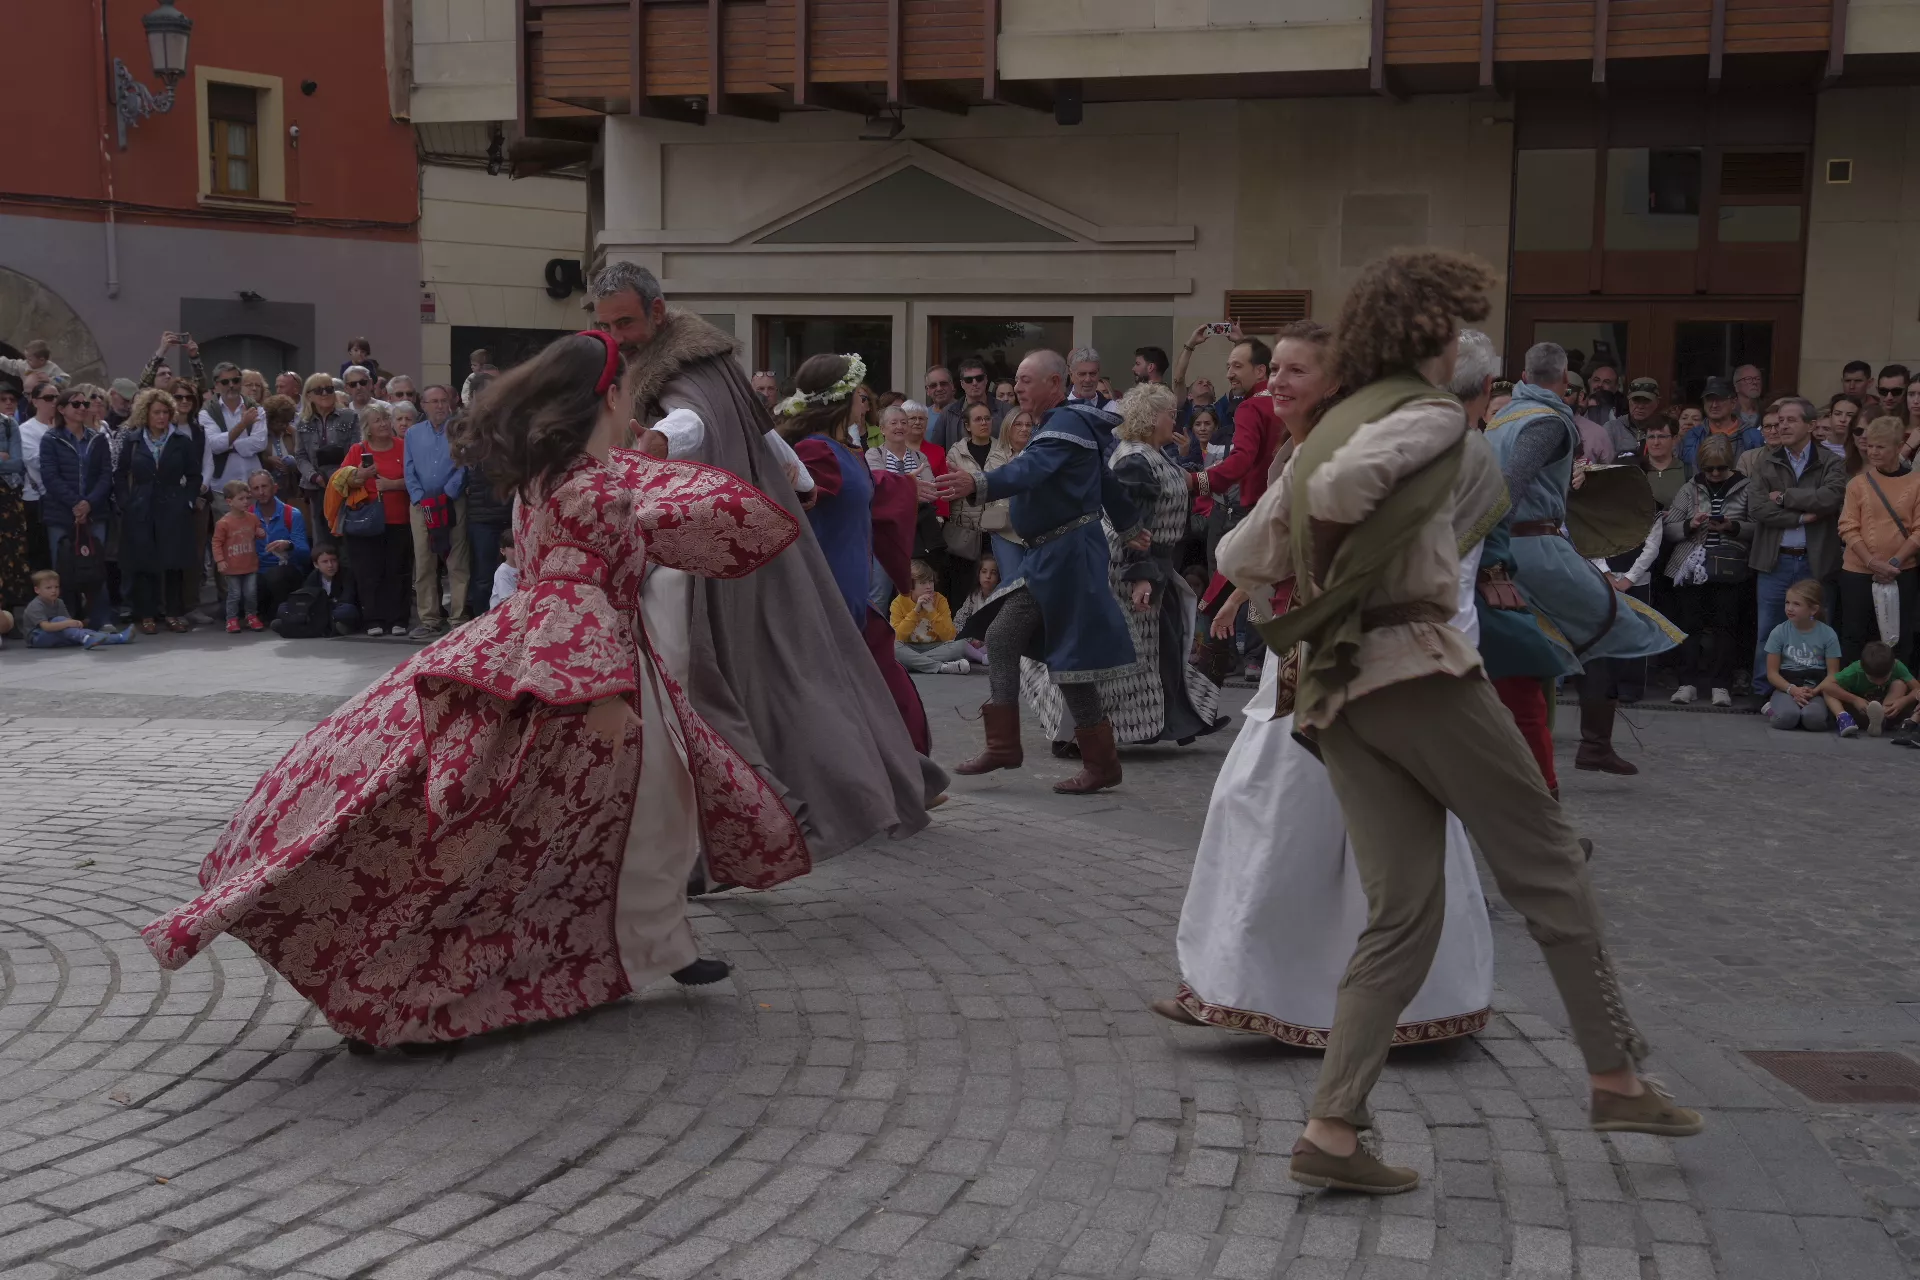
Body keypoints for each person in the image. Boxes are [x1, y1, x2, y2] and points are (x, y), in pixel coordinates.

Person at [142, 329, 806, 1051]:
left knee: (575, 829)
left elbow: (597, 542)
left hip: (547, 660)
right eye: (626, 391)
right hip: (581, 675)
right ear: (608, 397)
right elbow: (577, 593)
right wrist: (604, 695)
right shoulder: (591, 486)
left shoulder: (553, 474)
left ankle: (647, 950)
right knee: (588, 829)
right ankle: (456, 983)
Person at [1210, 250, 1699, 1196]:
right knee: (1551, 864)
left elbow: (1240, 550)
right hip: (1417, 672)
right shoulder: (1424, 415)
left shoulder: (1323, 428)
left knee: (1401, 915)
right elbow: (1340, 494)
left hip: (1339, 694)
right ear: (1430, 336)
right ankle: (1616, 1076)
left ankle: (1334, 1131)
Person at [593, 260, 947, 859]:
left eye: (625, 322)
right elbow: (759, 430)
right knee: (793, 678)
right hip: (742, 553)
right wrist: (802, 477)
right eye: (607, 324)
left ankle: (757, 824)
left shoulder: (682, 367)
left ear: (657, 311)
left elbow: (695, 420)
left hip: (715, 562)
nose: (617, 335)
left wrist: (654, 443)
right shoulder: (704, 364)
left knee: (735, 686)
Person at [938, 350, 1143, 794]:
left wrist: (979, 482)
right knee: (1046, 651)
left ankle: (1026, 751)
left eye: (1027, 381)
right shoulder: (1065, 424)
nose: (1019, 388)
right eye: (1017, 380)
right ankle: (1017, 748)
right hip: (1056, 555)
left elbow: (1032, 470)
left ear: (1055, 383)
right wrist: (1128, 526)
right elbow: (1104, 481)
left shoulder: (1064, 425)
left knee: (1051, 652)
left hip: (1066, 556)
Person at [1486, 342, 1681, 769]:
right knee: (1610, 624)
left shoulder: (1500, 419)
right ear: (1563, 383)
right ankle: (1583, 748)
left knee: (1539, 649)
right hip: (1531, 551)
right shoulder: (1546, 421)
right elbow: (1508, 487)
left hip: (1511, 548)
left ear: (1523, 377)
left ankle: (1584, 746)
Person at [1020, 381, 1225, 751]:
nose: (1174, 419)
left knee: (1155, 648)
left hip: (1153, 565)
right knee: (1123, 658)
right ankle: (1084, 735)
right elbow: (1134, 524)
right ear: (1151, 418)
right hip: (1129, 567)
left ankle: (1170, 722)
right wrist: (1140, 575)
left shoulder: (1149, 455)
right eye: (1169, 413)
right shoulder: (1135, 459)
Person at [776, 354, 937, 755]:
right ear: (845, 399)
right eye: (862, 398)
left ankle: (907, 774)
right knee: (849, 692)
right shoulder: (815, 451)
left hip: (849, 593)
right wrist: (790, 492)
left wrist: (904, 487)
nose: (866, 405)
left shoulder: (842, 450)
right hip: (825, 594)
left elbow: (864, 485)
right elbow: (802, 497)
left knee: (882, 683)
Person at [1746, 395, 1845, 688]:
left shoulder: (1832, 462)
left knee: (1818, 631)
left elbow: (1830, 498)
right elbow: (1757, 508)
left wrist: (1786, 496)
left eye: (1790, 420)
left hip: (1815, 560)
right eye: (1779, 421)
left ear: (1812, 425)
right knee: (1768, 629)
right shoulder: (1766, 462)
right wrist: (1800, 517)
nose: (1782, 426)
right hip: (1775, 560)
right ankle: (1763, 689)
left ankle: (1818, 691)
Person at [1664, 436, 1752, 706]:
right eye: (1709, 469)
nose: (1714, 474)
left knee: (1726, 627)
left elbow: (1760, 527)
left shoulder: (1747, 488)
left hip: (1731, 568)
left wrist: (1731, 527)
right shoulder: (1689, 488)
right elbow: (1669, 529)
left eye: (1720, 469)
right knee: (1688, 625)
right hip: (1691, 566)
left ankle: (1720, 685)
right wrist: (1691, 524)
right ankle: (1687, 683)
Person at [1836, 417, 1920, 665]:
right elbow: (1847, 527)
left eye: (1880, 446)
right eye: (1870, 445)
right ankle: (1855, 698)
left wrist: (1894, 562)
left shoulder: (1916, 482)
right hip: (1858, 572)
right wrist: (1873, 563)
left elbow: (1918, 529)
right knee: (1854, 635)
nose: (1873, 451)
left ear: (1897, 447)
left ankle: (1895, 697)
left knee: (1899, 637)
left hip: (1901, 571)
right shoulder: (1857, 484)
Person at [116, 389, 198, 633]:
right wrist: (126, 502)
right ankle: (147, 614)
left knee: (173, 562)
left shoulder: (181, 441)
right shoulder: (133, 440)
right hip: (141, 506)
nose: (161, 417)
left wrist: (188, 501)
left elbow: (194, 475)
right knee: (143, 563)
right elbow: (120, 474)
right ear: (146, 414)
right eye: (156, 413)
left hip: (173, 505)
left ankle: (173, 613)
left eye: (165, 412)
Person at [38, 385, 114, 629]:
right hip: (61, 513)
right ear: (61, 409)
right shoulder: (51, 439)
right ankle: (67, 621)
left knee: (97, 567)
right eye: (76, 404)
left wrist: (89, 503)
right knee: (63, 570)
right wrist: (75, 503)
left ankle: (101, 620)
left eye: (85, 403)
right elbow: (50, 476)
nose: (83, 408)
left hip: (95, 512)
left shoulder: (98, 438)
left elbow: (105, 475)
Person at [337, 402, 412, 637]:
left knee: (397, 570)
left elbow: (416, 478)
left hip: (398, 518)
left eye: (385, 419)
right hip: (365, 522)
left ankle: (398, 618)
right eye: (377, 420)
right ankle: (373, 620)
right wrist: (359, 475)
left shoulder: (403, 446)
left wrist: (393, 485)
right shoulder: (358, 450)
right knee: (369, 572)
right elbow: (339, 482)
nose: (383, 424)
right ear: (367, 428)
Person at [404, 385, 469, 639]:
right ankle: (429, 619)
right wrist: (419, 497)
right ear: (423, 405)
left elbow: (465, 464)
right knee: (424, 562)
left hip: (453, 501)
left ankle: (458, 618)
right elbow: (408, 469)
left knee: (457, 560)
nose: (440, 406)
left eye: (443, 401)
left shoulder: (460, 430)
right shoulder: (412, 433)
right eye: (434, 401)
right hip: (421, 506)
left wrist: (449, 492)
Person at [1763, 579, 1842, 731]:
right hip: (1786, 687)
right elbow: (1772, 673)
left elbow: (1833, 674)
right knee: (1785, 719)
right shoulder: (1779, 632)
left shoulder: (1828, 634)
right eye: (1787, 603)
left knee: (1814, 721)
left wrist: (1815, 691)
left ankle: (1802, 712)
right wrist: (1792, 690)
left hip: (1815, 687)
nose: (1789, 608)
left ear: (1813, 610)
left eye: (1796, 604)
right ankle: (1771, 709)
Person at [940, 400, 996, 601]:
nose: (984, 423)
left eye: (987, 418)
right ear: (967, 425)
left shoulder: (1001, 451)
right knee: (961, 591)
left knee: (992, 590)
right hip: (964, 532)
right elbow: (950, 489)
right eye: (978, 419)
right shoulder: (955, 453)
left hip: (995, 532)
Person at [244, 467, 310, 623]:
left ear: (274, 488)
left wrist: (289, 545)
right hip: (258, 572)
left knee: (275, 576)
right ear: (251, 493)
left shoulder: (292, 514)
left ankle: (279, 613)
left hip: (287, 572)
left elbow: (306, 555)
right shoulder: (248, 516)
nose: (261, 492)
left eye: (264, 486)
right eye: (256, 488)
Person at [1816, 639, 1916, 737]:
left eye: (1884, 678)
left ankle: (1881, 719)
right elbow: (1826, 685)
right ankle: (1844, 718)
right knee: (1828, 690)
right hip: (1861, 711)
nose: (1879, 682)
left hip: (1888, 712)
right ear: (1862, 668)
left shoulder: (1897, 666)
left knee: (1900, 684)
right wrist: (1854, 699)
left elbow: (1918, 689)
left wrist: (1903, 701)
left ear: (1892, 666)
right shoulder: (1855, 669)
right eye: (1873, 679)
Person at [891, 559, 974, 675]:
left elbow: (949, 636)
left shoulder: (940, 600)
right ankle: (942, 667)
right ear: (910, 586)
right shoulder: (898, 602)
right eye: (923, 582)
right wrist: (916, 611)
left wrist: (931, 611)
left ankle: (911, 664)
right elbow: (898, 637)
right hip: (909, 646)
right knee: (893, 647)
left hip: (935, 646)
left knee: (961, 645)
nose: (929, 587)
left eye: (931, 581)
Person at [20, 569, 132, 649]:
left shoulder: (59, 602)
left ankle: (119, 637)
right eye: (48, 588)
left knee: (81, 632)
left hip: (55, 633)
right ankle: (86, 638)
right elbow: (47, 627)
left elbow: (68, 624)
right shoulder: (36, 605)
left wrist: (75, 624)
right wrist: (70, 623)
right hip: (37, 637)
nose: (53, 591)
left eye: (56, 587)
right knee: (60, 621)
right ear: (37, 590)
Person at [271, 543, 361, 638]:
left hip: (332, 610)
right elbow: (305, 599)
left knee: (348, 610)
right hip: (317, 613)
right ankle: (328, 628)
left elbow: (347, 599)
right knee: (283, 607)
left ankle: (304, 627)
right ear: (316, 565)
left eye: (333, 560)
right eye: (325, 562)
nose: (330, 565)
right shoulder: (314, 576)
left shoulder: (346, 574)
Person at [983, 409, 1031, 582]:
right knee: (1012, 584)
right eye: (1018, 424)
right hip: (1007, 531)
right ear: (1007, 428)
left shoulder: (1039, 453)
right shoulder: (996, 456)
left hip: (1036, 531)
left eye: (1028, 424)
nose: (1024, 429)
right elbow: (1002, 490)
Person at [211, 478, 265, 632]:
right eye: (241, 499)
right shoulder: (223, 523)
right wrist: (220, 560)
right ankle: (232, 619)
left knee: (250, 593)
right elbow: (216, 543)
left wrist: (260, 533)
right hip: (232, 567)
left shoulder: (253, 518)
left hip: (250, 564)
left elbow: (258, 533)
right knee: (234, 594)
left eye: (248, 498)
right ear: (229, 501)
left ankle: (251, 616)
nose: (246, 502)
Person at [1679, 376, 1762, 467]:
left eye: (1720, 399)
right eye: (1709, 399)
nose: (1714, 405)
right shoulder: (1693, 436)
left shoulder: (1753, 436)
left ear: (1733, 403)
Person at [930, 356, 1004, 446]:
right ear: (962, 384)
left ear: (986, 380)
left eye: (979, 378)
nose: (974, 383)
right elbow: (936, 449)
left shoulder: (1005, 411)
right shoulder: (948, 413)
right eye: (969, 380)